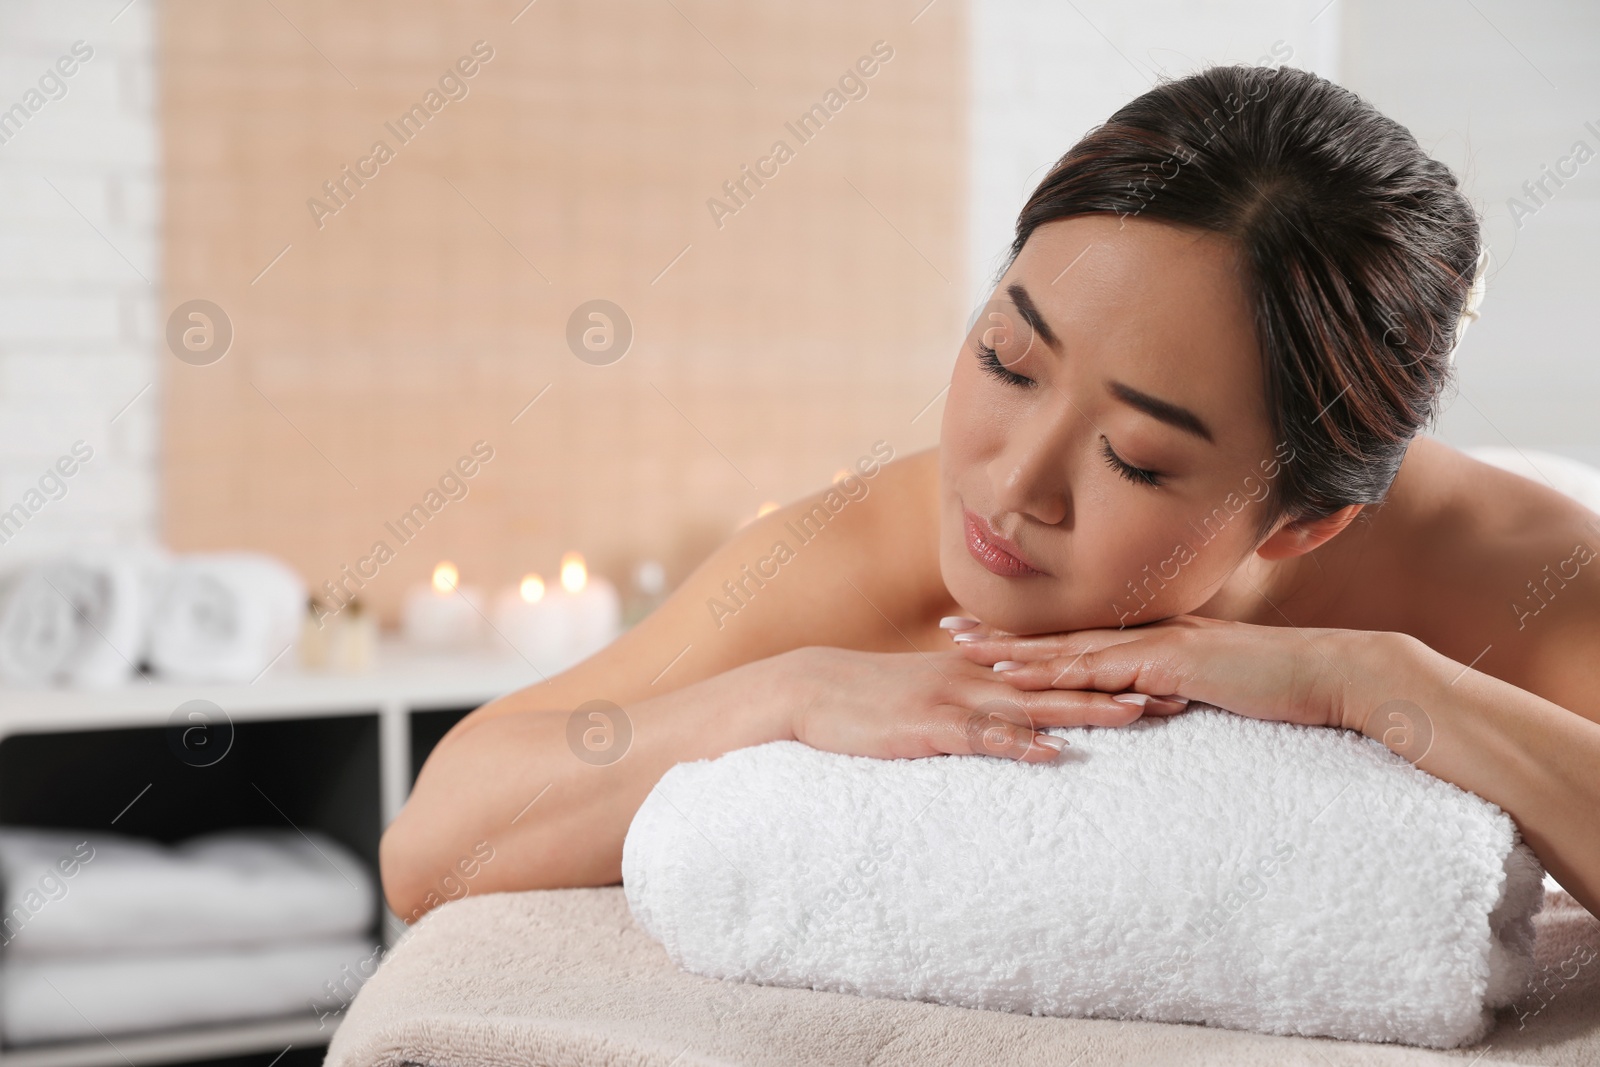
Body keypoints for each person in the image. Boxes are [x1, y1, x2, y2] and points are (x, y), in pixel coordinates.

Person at [380, 63, 1600, 923]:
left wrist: (1371, 681)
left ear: (1303, 519)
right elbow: (431, 844)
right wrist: (784, 691)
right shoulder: (874, 547)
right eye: (1007, 361)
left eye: (1135, 457)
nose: (1010, 485)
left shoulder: (1520, 571)